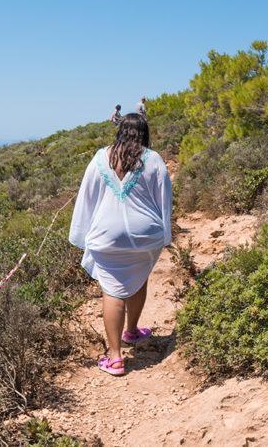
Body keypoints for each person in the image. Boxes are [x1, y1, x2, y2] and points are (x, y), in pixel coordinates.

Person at [69, 113, 171, 376]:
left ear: (120, 132)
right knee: (139, 278)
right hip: (145, 236)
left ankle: (115, 358)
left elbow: (87, 198)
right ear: (144, 133)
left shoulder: (100, 158)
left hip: (107, 236)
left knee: (112, 290)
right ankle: (133, 331)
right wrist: (165, 234)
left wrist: (81, 234)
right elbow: (164, 198)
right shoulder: (153, 159)